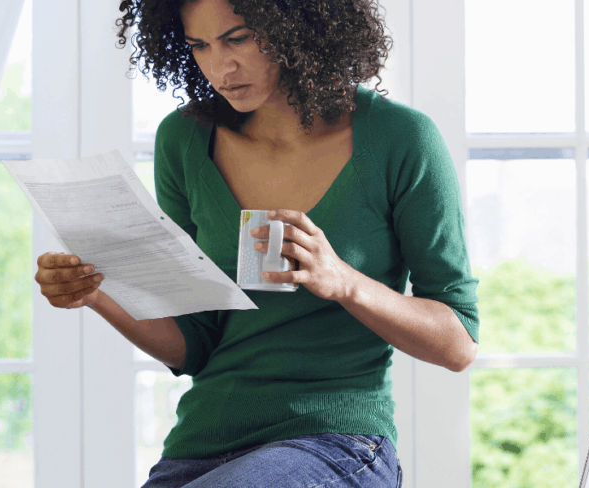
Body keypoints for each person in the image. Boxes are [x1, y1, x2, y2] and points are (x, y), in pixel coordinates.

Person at [33, 0, 480, 486]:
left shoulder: (400, 138)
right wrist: (98, 293)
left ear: (298, 24)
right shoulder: (184, 140)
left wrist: (345, 283)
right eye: (199, 45)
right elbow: (194, 343)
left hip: (336, 443)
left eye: (238, 38)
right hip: (201, 448)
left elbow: (457, 343)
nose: (220, 67)